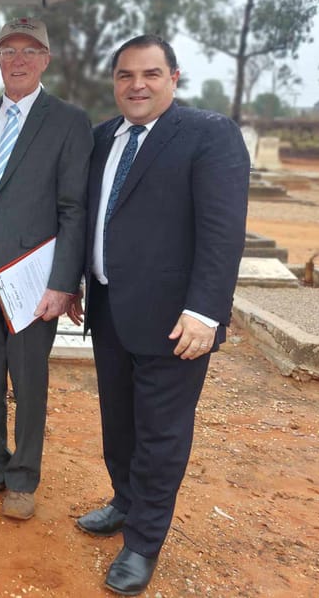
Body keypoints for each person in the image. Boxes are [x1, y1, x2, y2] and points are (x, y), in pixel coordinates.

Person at [74, 35, 249, 595]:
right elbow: (91, 219)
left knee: (161, 435)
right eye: (126, 75)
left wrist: (206, 311)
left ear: (174, 77)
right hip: (108, 311)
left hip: (176, 323)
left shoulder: (207, 134)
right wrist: (77, 282)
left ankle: (144, 542)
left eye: (151, 74)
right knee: (118, 425)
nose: (137, 85)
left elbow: (223, 231)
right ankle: (125, 503)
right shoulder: (102, 138)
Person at [0, 18, 92, 520]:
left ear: (46, 60)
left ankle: (24, 477)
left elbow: (74, 208)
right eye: (9, 50)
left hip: (32, 277)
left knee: (28, 380)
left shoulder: (69, 121)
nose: (20, 59)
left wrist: (63, 283)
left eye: (31, 51)